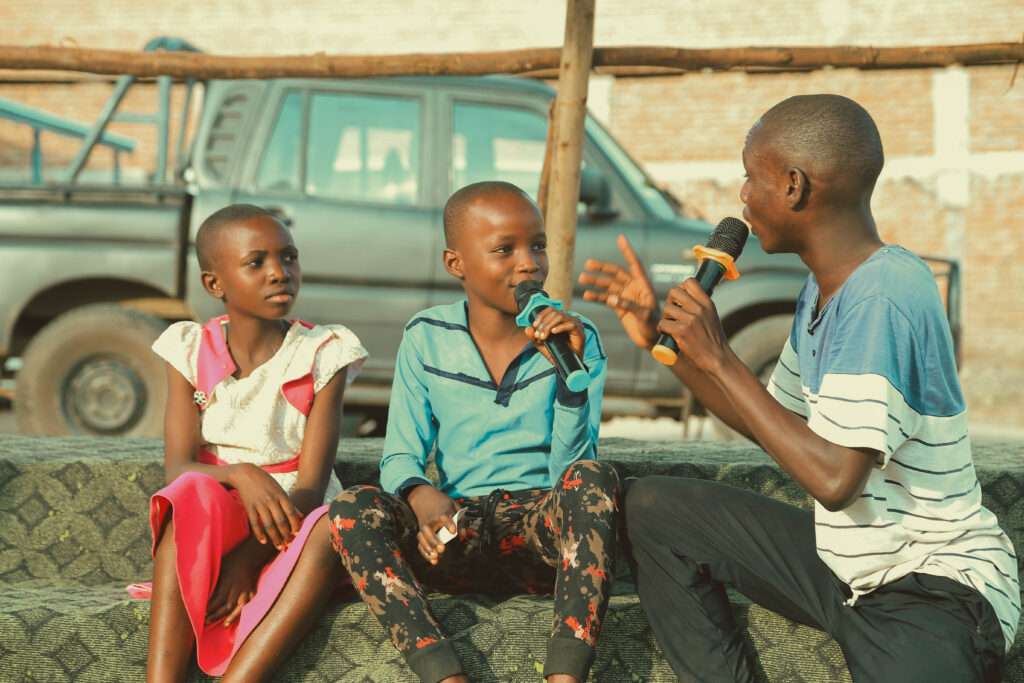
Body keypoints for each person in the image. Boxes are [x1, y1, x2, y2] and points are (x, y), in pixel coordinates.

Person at [579, 95, 1018, 682]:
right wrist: (679, 351)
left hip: (934, 591)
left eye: (749, 176)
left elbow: (835, 480)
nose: (741, 196)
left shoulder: (885, 295)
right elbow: (769, 423)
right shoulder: (822, 290)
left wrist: (722, 357)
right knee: (656, 508)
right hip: (848, 571)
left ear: (792, 186)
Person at [328, 181, 620, 683]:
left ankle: (565, 676)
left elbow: (569, 472)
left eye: (538, 246)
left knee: (594, 476)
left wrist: (570, 384)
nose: (529, 263)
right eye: (504, 250)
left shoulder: (577, 338)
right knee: (351, 507)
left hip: (537, 535)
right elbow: (399, 455)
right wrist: (422, 496)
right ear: (455, 263)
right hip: (455, 531)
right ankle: (443, 674)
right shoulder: (427, 337)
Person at [141, 204, 368, 682]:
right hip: (218, 511)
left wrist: (248, 562)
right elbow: (178, 467)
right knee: (189, 493)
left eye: (289, 258)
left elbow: (310, 487)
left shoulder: (322, 352)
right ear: (214, 284)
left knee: (332, 524)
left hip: (292, 520)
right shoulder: (189, 348)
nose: (278, 273)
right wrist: (241, 475)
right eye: (256, 262)